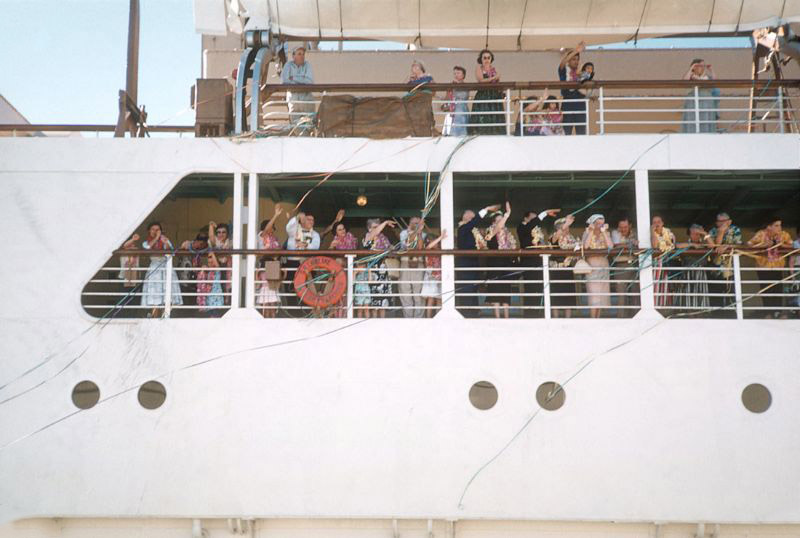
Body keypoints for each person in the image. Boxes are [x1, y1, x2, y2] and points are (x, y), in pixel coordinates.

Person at [125, 222, 182, 318]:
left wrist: (166, 243)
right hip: (154, 268)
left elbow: (171, 252)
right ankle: (154, 317)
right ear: (149, 231)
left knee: (167, 295)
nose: (155, 231)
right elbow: (147, 247)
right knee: (154, 296)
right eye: (153, 229)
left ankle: (165, 316)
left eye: (157, 230)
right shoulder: (146, 242)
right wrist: (156, 238)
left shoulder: (165, 239)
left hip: (166, 268)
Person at [456, 204, 501, 316]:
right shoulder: (463, 228)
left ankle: (474, 313)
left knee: (473, 289)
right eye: (471, 217)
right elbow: (474, 222)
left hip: (473, 264)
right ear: (465, 217)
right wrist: (486, 210)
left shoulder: (472, 231)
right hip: (465, 265)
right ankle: (467, 315)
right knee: (466, 290)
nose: (473, 219)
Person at [517, 207, 561, 317]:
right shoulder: (522, 227)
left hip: (539, 261)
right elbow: (531, 226)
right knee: (530, 288)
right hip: (529, 263)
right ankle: (530, 314)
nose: (535, 221)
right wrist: (544, 213)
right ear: (526, 218)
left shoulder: (535, 229)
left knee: (540, 287)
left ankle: (540, 312)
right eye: (532, 219)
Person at [748, 218, 793, 318]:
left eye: (780, 225)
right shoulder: (761, 234)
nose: (779, 227)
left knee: (777, 288)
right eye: (776, 225)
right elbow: (749, 245)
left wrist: (781, 244)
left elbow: (791, 245)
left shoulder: (784, 234)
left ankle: (778, 311)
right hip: (763, 266)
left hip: (778, 266)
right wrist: (763, 245)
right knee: (766, 289)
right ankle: (768, 312)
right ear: (769, 226)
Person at [484, 202, 517, 319]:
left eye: (503, 220)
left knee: (506, 289)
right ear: (493, 222)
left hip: (506, 264)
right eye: (499, 220)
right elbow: (497, 230)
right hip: (494, 264)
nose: (502, 222)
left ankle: (507, 317)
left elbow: (512, 246)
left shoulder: (508, 233)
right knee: (495, 290)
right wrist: (507, 215)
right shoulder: (490, 231)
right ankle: (497, 317)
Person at [285, 210, 321, 314]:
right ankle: (292, 311)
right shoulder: (294, 231)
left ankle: (306, 311)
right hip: (293, 262)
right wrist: (297, 218)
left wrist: (305, 245)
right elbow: (288, 228)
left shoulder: (315, 234)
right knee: (291, 287)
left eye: (312, 220)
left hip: (308, 264)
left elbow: (315, 247)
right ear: (302, 221)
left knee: (307, 288)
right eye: (308, 219)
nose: (311, 221)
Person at [705, 212, 742, 314]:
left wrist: (727, 246)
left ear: (729, 222)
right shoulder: (712, 231)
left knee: (730, 291)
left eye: (723, 221)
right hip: (715, 267)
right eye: (719, 221)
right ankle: (716, 315)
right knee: (715, 292)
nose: (721, 223)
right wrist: (720, 233)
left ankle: (732, 315)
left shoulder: (735, 230)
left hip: (730, 267)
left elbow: (739, 244)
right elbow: (715, 246)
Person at [255, 207, 285, 318]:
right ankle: (266, 319)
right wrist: (276, 215)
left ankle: (273, 318)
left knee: (273, 295)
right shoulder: (262, 235)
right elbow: (267, 230)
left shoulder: (275, 238)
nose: (272, 229)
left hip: (274, 264)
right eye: (271, 226)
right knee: (266, 295)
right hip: (266, 263)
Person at [582, 214, 613, 318]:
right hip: (592, 266)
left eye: (602, 223)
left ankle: (598, 318)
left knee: (601, 295)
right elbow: (586, 246)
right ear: (593, 223)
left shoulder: (606, 233)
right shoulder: (586, 232)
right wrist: (591, 231)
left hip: (603, 265)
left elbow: (610, 246)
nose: (600, 225)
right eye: (598, 223)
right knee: (593, 294)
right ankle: (592, 319)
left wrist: (604, 232)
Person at [363, 219, 396, 318]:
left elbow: (391, 252)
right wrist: (385, 223)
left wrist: (391, 249)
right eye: (374, 227)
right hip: (372, 271)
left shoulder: (384, 238)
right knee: (373, 302)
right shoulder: (367, 236)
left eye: (379, 226)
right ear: (369, 228)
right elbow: (375, 233)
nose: (378, 229)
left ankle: (382, 323)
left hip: (383, 270)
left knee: (383, 302)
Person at [468, 49, 505, 135]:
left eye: (488, 58)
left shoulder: (494, 69)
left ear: (491, 59)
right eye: (484, 58)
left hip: (494, 94)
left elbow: (498, 81)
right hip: (483, 95)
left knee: (495, 113)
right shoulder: (479, 68)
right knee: (483, 113)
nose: (487, 60)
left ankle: (495, 131)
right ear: (481, 59)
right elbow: (481, 80)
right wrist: (493, 78)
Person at [549, 215, 579, 318]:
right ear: (558, 228)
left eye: (568, 227)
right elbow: (555, 238)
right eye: (565, 227)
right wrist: (566, 223)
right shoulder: (553, 236)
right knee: (555, 295)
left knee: (568, 295)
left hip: (567, 268)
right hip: (556, 270)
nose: (567, 229)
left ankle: (568, 319)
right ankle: (555, 319)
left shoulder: (571, 238)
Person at [676, 224, 711, 312]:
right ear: (689, 234)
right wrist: (692, 244)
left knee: (700, 295)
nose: (695, 235)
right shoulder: (685, 244)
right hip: (687, 273)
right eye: (693, 233)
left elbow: (712, 245)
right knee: (687, 297)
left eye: (697, 234)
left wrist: (704, 233)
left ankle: (700, 313)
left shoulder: (704, 243)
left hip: (701, 273)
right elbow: (677, 246)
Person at [398, 216, 427, 318]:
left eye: (418, 223)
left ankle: (419, 319)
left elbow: (420, 248)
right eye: (414, 223)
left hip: (418, 264)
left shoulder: (423, 234)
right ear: (409, 223)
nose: (416, 225)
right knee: (405, 293)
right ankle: (408, 318)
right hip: (405, 263)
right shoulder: (403, 233)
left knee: (418, 294)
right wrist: (416, 231)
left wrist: (419, 233)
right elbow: (407, 245)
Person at [281, 45, 315, 130]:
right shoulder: (288, 65)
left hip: (307, 100)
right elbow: (285, 81)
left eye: (303, 54)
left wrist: (294, 78)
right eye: (299, 54)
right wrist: (302, 79)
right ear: (293, 56)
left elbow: (309, 81)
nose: (302, 56)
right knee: (295, 127)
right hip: (294, 100)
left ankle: (309, 141)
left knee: (310, 125)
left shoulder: (307, 65)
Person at [681, 59, 720, 133]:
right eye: (700, 66)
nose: (703, 68)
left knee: (706, 120)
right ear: (695, 66)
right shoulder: (691, 76)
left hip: (706, 102)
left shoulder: (707, 77)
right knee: (692, 120)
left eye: (703, 66)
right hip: (693, 102)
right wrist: (691, 68)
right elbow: (684, 81)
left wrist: (711, 70)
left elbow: (716, 82)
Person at [610, 217, 639, 317]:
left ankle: (635, 318)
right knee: (621, 296)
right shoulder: (615, 233)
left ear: (630, 226)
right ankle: (621, 319)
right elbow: (616, 245)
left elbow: (640, 244)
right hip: (620, 266)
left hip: (634, 265)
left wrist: (626, 245)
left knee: (635, 294)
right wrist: (631, 244)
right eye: (621, 227)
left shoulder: (635, 233)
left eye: (625, 227)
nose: (623, 229)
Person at [329, 220, 358, 317]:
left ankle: (346, 314)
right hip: (337, 273)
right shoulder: (335, 240)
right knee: (336, 292)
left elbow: (354, 252)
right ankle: (337, 315)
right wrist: (331, 247)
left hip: (348, 270)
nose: (343, 231)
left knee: (347, 292)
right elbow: (328, 257)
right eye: (340, 230)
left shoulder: (351, 238)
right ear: (336, 232)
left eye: (343, 229)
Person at [558, 41, 588, 135]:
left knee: (581, 133)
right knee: (566, 133)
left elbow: (585, 92)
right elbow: (562, 63)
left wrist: (578, 77)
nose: (576, 61)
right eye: (573, 59)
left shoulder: (584, 73)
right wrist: (576, 50)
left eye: (577, 59)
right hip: (567, 104)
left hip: (580, 105)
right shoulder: (564, 71)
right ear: (569, 60)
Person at [651, 215, 676, 308]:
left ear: (662, 223)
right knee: (656, 287)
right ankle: (656, 307)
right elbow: (654, 246)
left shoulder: (668, 232)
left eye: (658, 222)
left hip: (668, 263)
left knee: (668, 287)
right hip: (656, 264)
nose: (656, 224)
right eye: (654, 222)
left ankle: (667, 308)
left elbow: (672, 244)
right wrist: (652, 232)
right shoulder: (651, 234)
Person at [421, 230, 447, 317]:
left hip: (440, 274)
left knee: (439, 298)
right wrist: (440, 237)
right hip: (431, 275)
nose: (437, 243)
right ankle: (428, 318)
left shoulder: (439, 250)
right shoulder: (428, 250)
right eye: (435, 241)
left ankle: (438, 316)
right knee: (431, 298)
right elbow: (428, 247)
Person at [197, 251, 226, 317]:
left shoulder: (217, 271)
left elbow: (216, 265)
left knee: (215, 315)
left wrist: (212, 254)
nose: (210, 264)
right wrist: (202, 270)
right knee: (210, 315)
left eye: (212, 262)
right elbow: (201, 280)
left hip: (216, 298)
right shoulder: (208, 272)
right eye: (209, 263)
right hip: (209, 298)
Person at [443, 66, 469, 136]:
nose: (456, 75)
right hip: (452, 110)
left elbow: (464, 96)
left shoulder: (466, 85)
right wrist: (450, 90)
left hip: (461, 109)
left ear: (463, 75)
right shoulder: (451, 85)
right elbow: (447, 99)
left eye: (458, 73)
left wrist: (457, 86)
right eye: (454, 73)